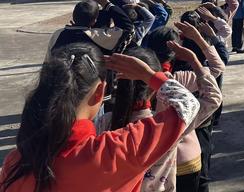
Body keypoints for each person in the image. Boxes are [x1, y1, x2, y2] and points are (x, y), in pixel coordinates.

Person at [0, 42, 200, 192]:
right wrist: (148, 75)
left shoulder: (17, 161)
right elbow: (188, 105)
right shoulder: (114, 151)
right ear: (100, 92)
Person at [98, 43, 222, 192]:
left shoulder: (103, 123)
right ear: (152, 89)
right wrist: (192, 60)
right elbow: (211, 98)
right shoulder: (164, 126)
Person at [146, 21, 225, 192]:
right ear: (175, 52)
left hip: (149, 159)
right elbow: (217, 68)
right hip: (184, 158)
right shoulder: (179, 78)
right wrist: (194, 54)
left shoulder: (139, 78)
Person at [47, 0, 134, 57]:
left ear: (73, 16)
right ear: (94, 21)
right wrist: (108, 5)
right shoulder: (98, 36)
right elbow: (128, 28)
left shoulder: (58, 34)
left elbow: (48, 61)